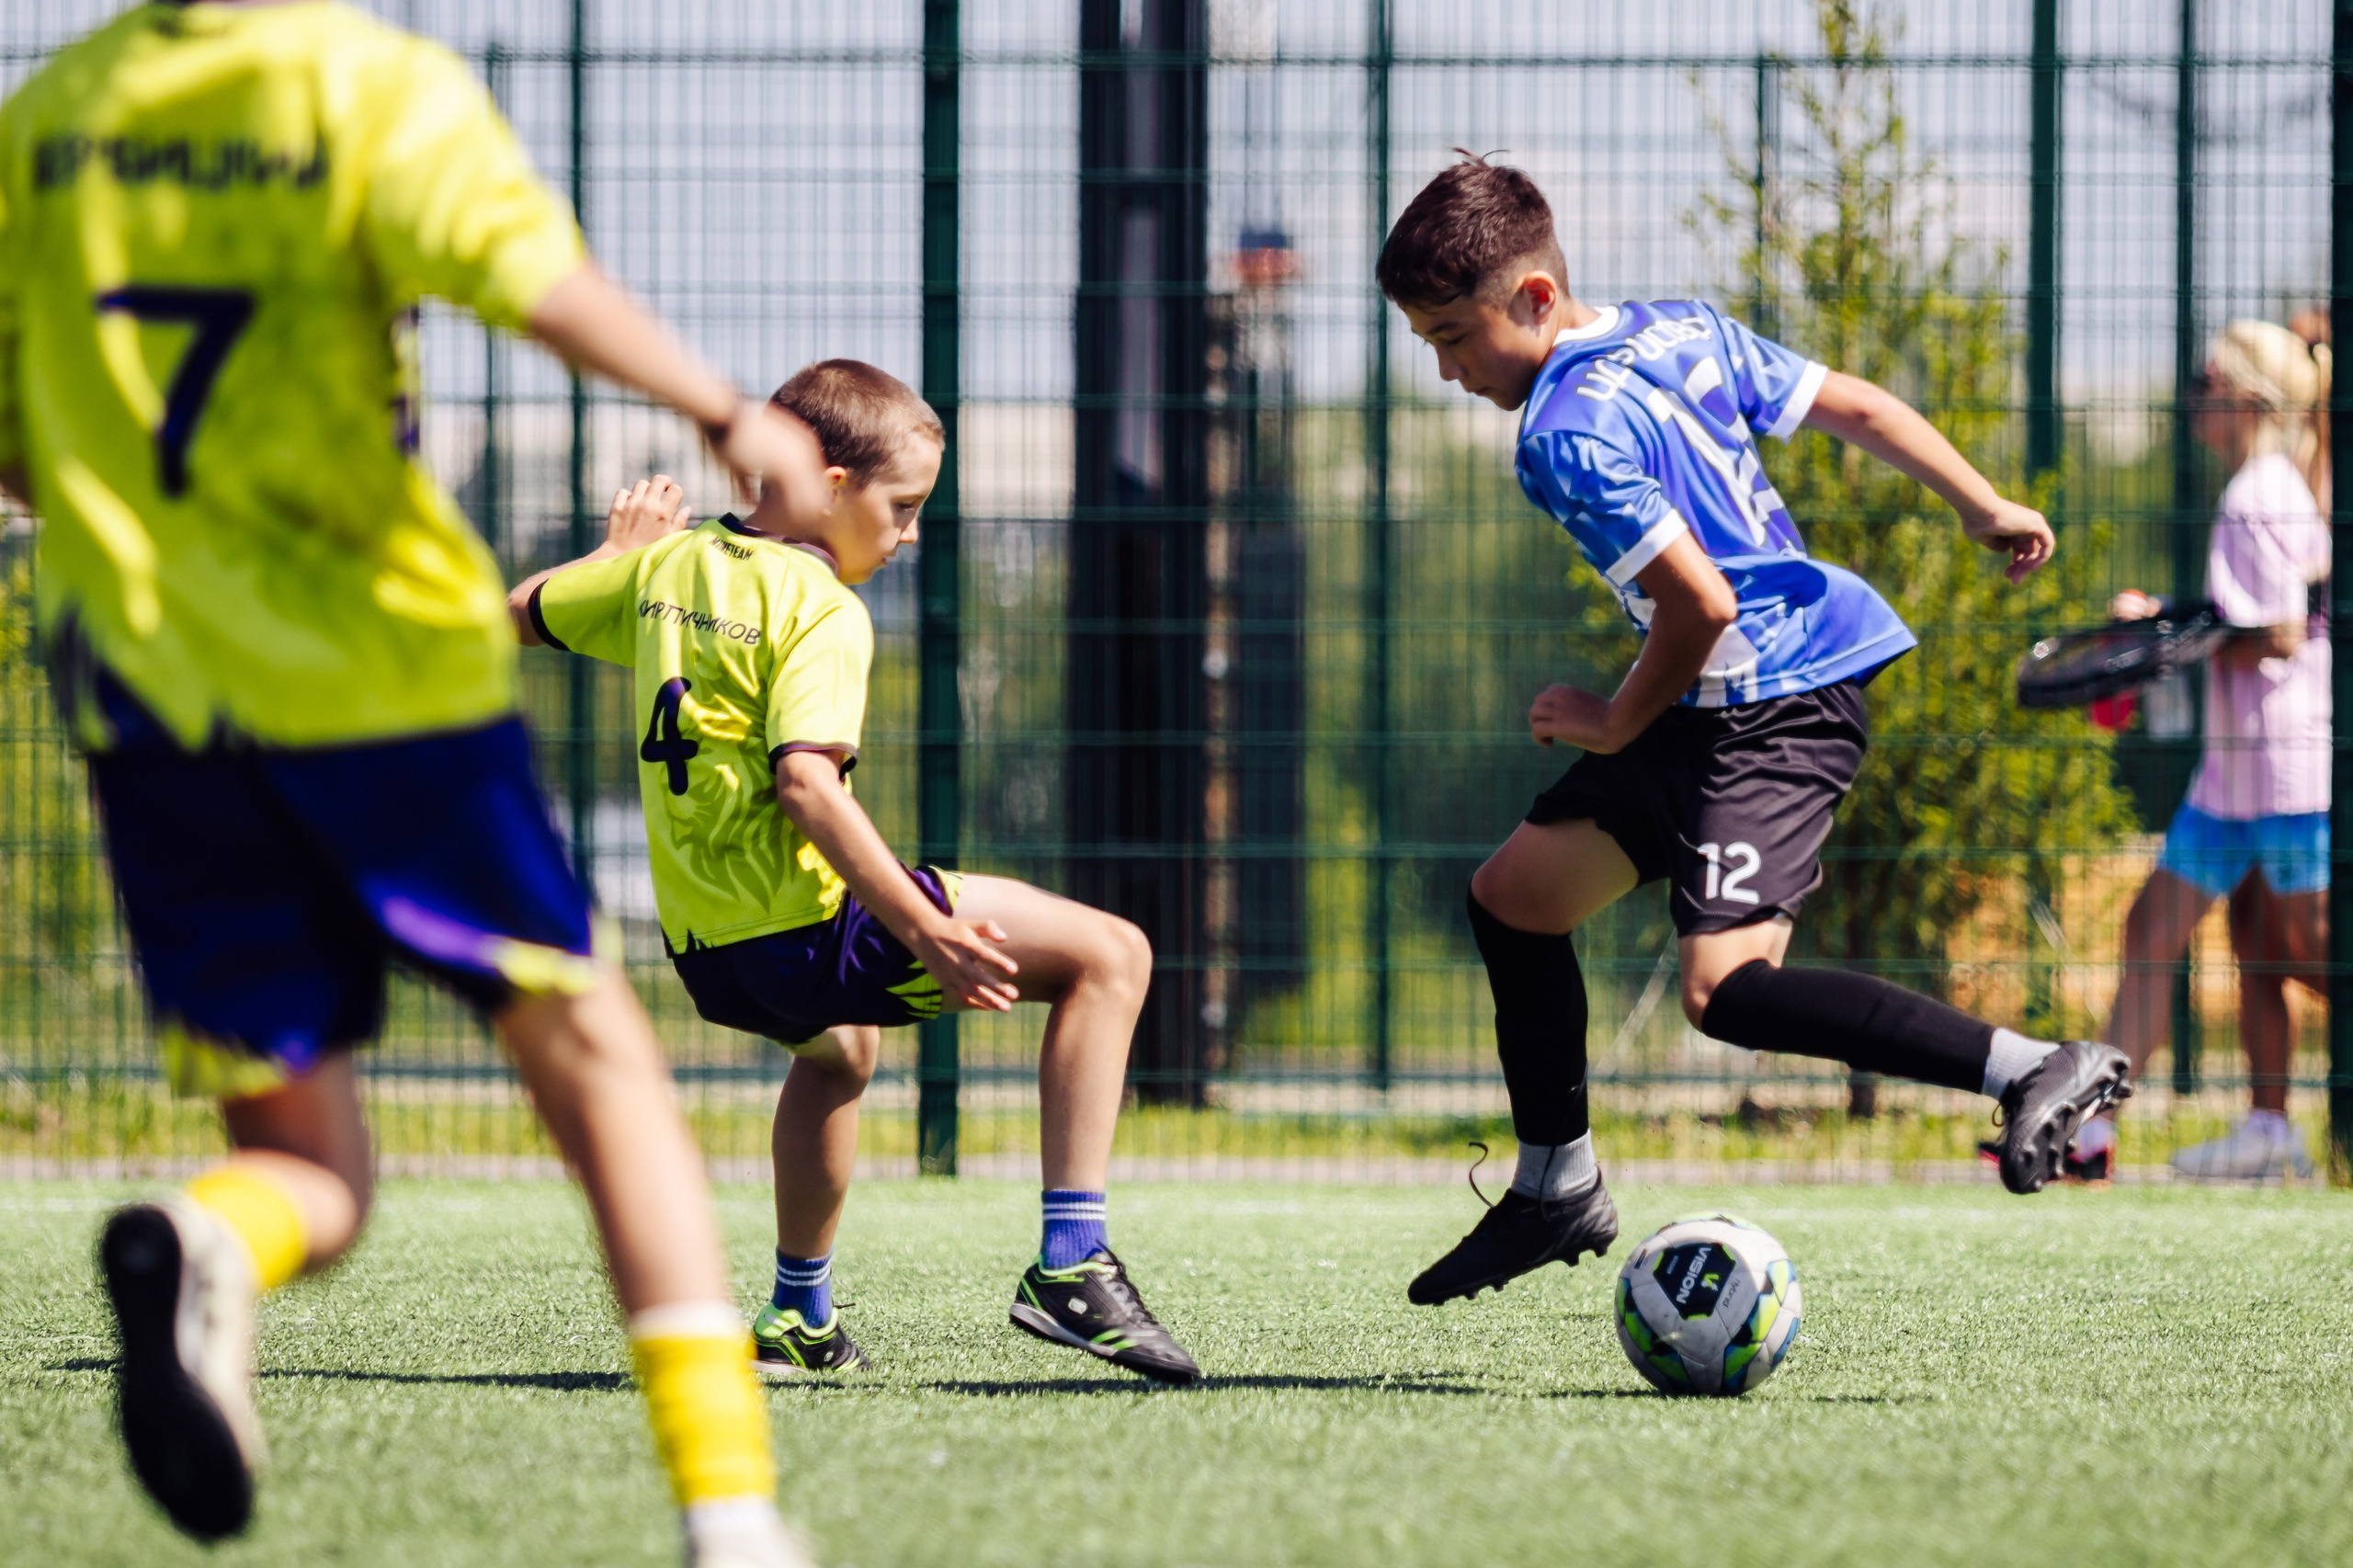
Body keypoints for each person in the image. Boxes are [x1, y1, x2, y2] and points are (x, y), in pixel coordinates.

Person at [0, 6, 835, 1563]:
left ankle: (205, 1236)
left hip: (154, 699)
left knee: (306, 1160)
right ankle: (729, 1515)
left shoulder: (53, 118)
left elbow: (23, 451)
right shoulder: (364, 85)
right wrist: (725, 410)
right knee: (597, 1065)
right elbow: (536, 282)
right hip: (379, 674)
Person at [1372, 154, 2133, 1306]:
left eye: (1452, 336)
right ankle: (1554, 1183)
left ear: (1533, 296)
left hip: (1774, 701)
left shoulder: (1559, 433)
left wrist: (1609, 719)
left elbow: (1703, 604)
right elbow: (1856, 405)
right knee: (1514, 898)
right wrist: (1979, 501)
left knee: (1723, 989)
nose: (1447, 368)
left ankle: (2030, 1064)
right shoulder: (1679, 328)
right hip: (1709, 698)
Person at [509, 360, 1200, 1386]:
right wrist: (926, 928)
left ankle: (800, 1315)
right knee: (1113, 954)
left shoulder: (669, 568)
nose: (910, 534)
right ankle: (1071, 1263)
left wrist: (615, 554)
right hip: (807, 931)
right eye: (903, 507)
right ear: (830, 486)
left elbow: (518, 610)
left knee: (840, 1051)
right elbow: (807, 786)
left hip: (710, 953)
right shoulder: (821, 605)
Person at [2095, 319, 2332, 1183]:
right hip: (2234, 772)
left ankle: (2263, 1130)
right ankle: (2093, 1134)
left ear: (2249, 400)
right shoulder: (2268, 486)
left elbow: (2277, 632)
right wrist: (2170, 621)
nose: (2196, 398)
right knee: (2163, 931)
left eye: (2210, 382)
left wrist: (2162, 629)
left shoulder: (2258, 495)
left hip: (2283, 768)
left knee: (2304, 953)